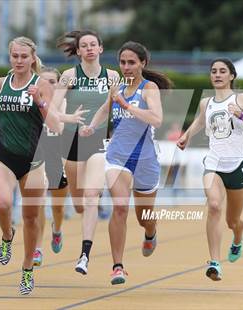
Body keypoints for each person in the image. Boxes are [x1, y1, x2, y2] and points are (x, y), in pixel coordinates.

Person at [0, 36, 83, 295]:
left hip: (34, 161)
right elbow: (0, 96)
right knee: (3, 204)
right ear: (10, 57)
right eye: (14, 56)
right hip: (4, 157)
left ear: (32, 59)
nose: (19, 60)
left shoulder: (41, 85)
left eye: (23, 56)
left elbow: (55, 125)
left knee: (31, 218)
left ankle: (27, 269)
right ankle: (7, 236)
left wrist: (39, 101)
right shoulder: (1, 81)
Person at [81, 41, 173, 284]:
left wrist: (126, 106)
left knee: (144, 216)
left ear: (143, 63)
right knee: (120, 207)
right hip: (118, 157)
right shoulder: (117, 88)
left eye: (131, 62)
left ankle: (151, 233)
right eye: (123, 62)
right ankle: (118, 266)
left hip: (144, 159)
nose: (126, 67)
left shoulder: (149, 88)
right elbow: (104, 109)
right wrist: (91, 126)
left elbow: (156, 119)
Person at [177, 58, 243, 281]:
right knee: (214, 205)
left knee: (232, 221)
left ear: (231, 76)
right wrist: (186, 135)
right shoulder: (206, 102)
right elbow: (200, 121)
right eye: (213, 71)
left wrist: (241, 115)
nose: (217, 75)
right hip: (214, 164)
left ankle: (238, 236)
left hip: (238, 165)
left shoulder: (242, 99)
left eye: (222, 71)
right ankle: (215, 262)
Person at [54, 30, 120, 275]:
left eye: (94, 44)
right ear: (79, 51)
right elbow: (51, 109)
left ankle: (84, 255)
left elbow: (120, 106)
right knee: (80, 204)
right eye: (85, 45)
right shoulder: (70, 76)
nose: (90, 48)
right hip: (71, 141)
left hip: (98, 141)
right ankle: (58, 228)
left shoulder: (112, 76)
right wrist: (68, 117)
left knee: (92, 197)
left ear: (101, 49)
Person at [33, 67, 69, 266]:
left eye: (52, 82)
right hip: (38, 158)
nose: (48, 85)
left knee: (58, 207)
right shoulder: (32, 102)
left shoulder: (64, 103)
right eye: (44, 81)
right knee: (38, 204)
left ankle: (57, 230)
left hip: (59, 159)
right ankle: (37, 248)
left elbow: (60, 127)